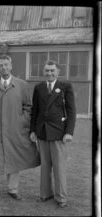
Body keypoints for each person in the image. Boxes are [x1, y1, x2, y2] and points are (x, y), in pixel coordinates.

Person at [0, 55, 40, 201]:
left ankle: (13, 188)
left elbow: (28, 106)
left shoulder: (22, 85)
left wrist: (22, 121)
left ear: (11, 65)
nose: (4, 68)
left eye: (6, 65)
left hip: (15, 128)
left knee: (14, 156)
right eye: (1, 65)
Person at [30, 60, 76, 208]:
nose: (49, 73)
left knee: (59, 167)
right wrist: (32, 130)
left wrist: (69, 132)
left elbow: (71, 111)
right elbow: (34, 111)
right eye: (47, 70)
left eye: (52, 70)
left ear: (58, 72)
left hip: (58, 133)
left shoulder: (65, 87)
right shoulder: (39, 88)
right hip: (42, 132)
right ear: (44, 72)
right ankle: (45, 194)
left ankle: (61, 198)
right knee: (45, 166)